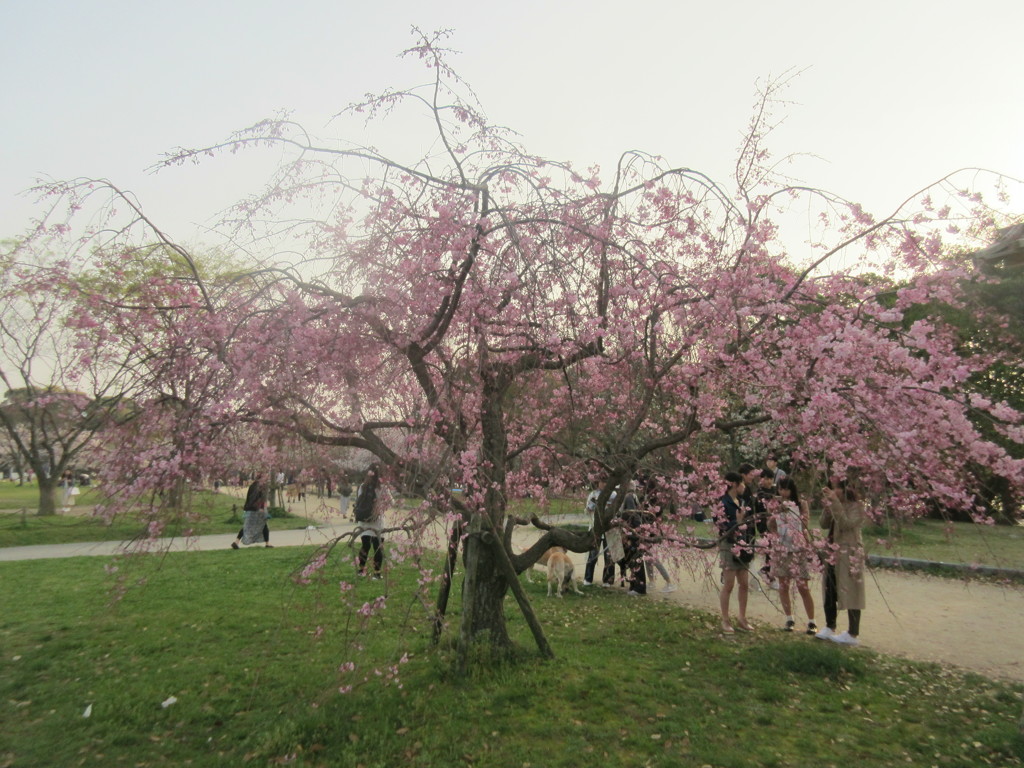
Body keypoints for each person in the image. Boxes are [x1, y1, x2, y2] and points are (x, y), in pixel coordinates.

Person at [815, 477, 866, 646]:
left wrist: (835, 503)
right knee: (829, 589)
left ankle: (852, 633)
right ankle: (830, 625)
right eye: (832, 488)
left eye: (836, 488)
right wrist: (828, 507)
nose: (833, 491)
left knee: (851, 590)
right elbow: (823, 524)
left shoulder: (857, 507)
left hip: (849, 552)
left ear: (845, 489)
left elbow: (845, 524)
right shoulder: (834, 503)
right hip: (832, 551)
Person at [770, 477, 817, 635]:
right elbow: (770, 525)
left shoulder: (801, 504)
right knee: (783, 584)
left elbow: (804, 523)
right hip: (782, 549)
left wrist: (790, 512)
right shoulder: (775, 505)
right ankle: (789, 618)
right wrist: (775, 514)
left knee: (802, 586)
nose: (783, 492)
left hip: (798, 549)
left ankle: (812, 621)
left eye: (786, 489)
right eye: (781, 489)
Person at [717, 472, 752, 633]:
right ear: (734, 485)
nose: (744, 486)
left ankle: (742, 618)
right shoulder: (722, 503)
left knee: (744, 583)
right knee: (729, 584)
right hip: (728, 544)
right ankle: (725, 619)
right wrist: (736, 522)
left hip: (743, 543)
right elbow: (721, 526)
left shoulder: (742, 501)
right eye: (741, 483)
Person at [354, 465, 389, 579]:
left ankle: (361, 570)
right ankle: (377, 573)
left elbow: (358, 501)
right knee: (377, 547)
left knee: (365, 546)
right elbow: (391, 502)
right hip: (377, 521)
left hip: (363, 521)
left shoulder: (362, 487)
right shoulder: (382, 488)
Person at [583, 479, 614, 586]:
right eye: (602, 481)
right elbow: (587, 510)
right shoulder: (593, 494)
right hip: (596, 527)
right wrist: (591, 505)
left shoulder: (613, 494)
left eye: (605, 481)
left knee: (608, 555)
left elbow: (618, 510)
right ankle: (588, 578)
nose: (604, 483)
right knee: (593, 553)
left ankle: (608, 579)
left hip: (609, 528)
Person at [231, 472, 271, 549]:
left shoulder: (253, 485)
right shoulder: (261, 486)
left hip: (250, 508)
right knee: (263, 525)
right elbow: (261, 499)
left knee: (248, 526)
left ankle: (236, 541)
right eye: (265, 477)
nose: (267, 478)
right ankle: (267, 543)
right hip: (257, 509)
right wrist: (262, 508)